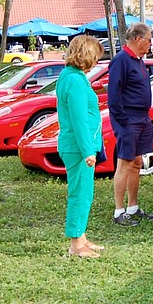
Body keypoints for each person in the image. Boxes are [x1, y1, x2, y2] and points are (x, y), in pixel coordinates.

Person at [56, 35, 105, 258]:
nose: (96, 62)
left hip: (75, 145)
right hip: (78, 147)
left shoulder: (70, 76)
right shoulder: (74, 81)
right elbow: (79, 120)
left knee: (83, 192)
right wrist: (88, 151)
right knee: (81, 194)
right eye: (95, 57)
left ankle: (81, 237)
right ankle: (76, 244)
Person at [107, 22, 153, 226]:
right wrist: (124, 121)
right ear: (138, 39)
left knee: (137, 163)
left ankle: (133, 207)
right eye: (149, 40)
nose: (150, 44)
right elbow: (114, 94)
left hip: (143, 118)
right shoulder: (121, 61)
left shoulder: (139, 61)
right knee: (125, 163)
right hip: (129, 119)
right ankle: (119, 211)